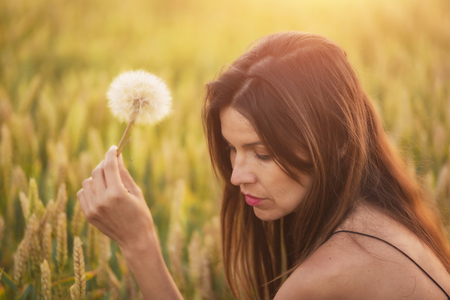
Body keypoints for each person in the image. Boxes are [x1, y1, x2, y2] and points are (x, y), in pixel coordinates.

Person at [77, 31, 450, 299]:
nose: (237, 176)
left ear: (337, 142)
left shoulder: (327, 275)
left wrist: (139, 245)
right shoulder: (380, 220)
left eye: (263, 153)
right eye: (231, 149)